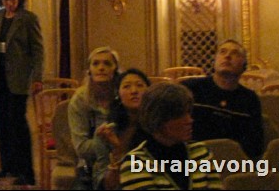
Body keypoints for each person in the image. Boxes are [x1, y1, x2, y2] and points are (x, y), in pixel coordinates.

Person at [0, 0, 44, 187]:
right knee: (3, 123)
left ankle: (27, 171)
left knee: (18, 123)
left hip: (18, 79)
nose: (10, 3)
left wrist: (37, 78)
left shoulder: (28, 19)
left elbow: (37, 51)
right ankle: (7, 164)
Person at [120, 82, 223, 190]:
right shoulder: (135, 163)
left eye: (188, 112)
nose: (190, 120)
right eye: (180, 115)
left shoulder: (200, 152)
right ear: (158, 119)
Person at [181, 39, 263, 158]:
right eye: (223, 52)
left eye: (235, 53)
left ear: (244, 65)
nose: (227, 56)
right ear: (214, 61)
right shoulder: (191, 88)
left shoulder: (249, 99)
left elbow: (255, 144)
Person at [90, 68, 151, 190]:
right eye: (126, 86)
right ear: (118, 94)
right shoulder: (108, 131)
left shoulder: (158, 125)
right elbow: (107, 185)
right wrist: (117, 151)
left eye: (139, 85)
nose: (134, 91)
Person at [68, 46, 120, 184]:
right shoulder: (80, 100)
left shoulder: (122, 96)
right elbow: (82, 149)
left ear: (115, 69)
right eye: (95, 64)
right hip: (89, 165)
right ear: (89, 71)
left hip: (123, 160)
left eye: (107, 63)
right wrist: (106, 140)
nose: (101, 68)